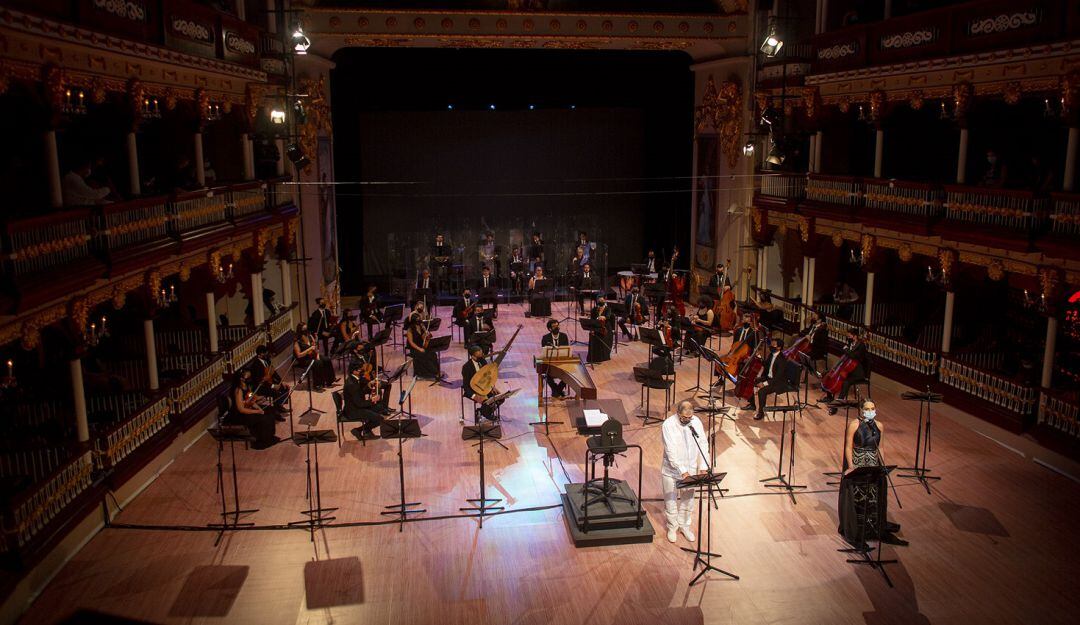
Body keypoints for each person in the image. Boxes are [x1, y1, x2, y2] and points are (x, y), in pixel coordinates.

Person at [838, 400, 907, 548]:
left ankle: (872, 528)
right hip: (858, 461)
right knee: (859, 496)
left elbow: (880, 447)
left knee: (872, 496)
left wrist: (882, 464)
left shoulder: (880, 426)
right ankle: (857, 530)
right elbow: (848, 447)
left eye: (873, 408)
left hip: (873, 462)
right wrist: (851, 466)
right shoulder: (854, 425)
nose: (870, 411)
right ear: (861, 410)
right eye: (867, 408)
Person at [661, 400, 709, 543]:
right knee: (670, 499)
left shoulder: (696, 422)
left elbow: (703, 443)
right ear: (678, 414)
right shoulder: (668, 425)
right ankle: (672, 527)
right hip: (672, 470)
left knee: (688, 500)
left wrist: (704, 466)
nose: (688, 420)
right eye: (684, 418)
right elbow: (670, 450)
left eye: (690, 417)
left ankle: (684, 525)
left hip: (691, 468)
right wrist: (682, 470)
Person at [744, 337, 799, 420]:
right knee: (750, 381)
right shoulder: (771, 354)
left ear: (779, 348)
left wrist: (764, 383)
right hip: (769, 378)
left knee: (762, 391)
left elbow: (777, 378)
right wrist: (759, 358)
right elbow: (766, 365)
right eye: (771, 344)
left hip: (779, 382)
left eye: (773, 345)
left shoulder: (782, 360)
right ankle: (752, 405)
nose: (770, 346)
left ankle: (761, 413)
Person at [821, 328, 871, 414]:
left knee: (846, 383)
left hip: (857, 373)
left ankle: (836, 406)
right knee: (827, 373)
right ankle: (829, 397)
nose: (848, 337)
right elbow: (846, 357)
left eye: (849, 335)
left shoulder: (861, 345)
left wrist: (846, 349)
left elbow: (854, 357)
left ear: (855, 336)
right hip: (849, 370)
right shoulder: (851, 343)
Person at [226, 370, 279, 449]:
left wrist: (260, 408)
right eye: (247, 376)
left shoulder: (246, 386)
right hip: (240, 415)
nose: (249, 378)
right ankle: (261, 441)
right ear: (241, 379)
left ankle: (269, 437)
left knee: (269, 412)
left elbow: (251, 399)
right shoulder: (238, 390)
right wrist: (257, 411)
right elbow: (241, 409)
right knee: (263, 418)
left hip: (248, 409)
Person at [343, 360, 386, 441]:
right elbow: (360, 403)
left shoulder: (354, 378)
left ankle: (366, 430)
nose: (361, 371)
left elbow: (361, 390)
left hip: (356, 406)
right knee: (380, 419)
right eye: (359, 370)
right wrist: (372, 400)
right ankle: (359, 430)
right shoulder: (352, 384)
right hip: (353, 410)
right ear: (354, 371)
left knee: (380, 407)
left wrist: (370, 383)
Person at [293, 322, 336, 389]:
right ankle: (318, 384)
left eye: (306, 328)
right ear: (300, 330)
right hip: (305, 359)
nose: (306, 330)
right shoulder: (297, 341)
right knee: (318, 363)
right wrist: (309, 350)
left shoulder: (309, 336)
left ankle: (330, 380)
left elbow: (315, 347)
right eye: (304, 329)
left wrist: (317, 355)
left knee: (326, 359)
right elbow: (299, 355)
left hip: (313, 355)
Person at [248, 344, 289, 415]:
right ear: (260, 354)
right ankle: (276, 413)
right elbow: (260, 381)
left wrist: (281, 382)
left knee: (285, 388)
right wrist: (273, 386)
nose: (267, 355)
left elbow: (274, 373)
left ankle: (280, 406)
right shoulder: (256, 365)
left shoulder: (267, 361)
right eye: (266, 353)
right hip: (261, 387)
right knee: (275, 392)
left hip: (269, 383)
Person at [461, 344, 496, 425]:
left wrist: (492, 387)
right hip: (473, 390)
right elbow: (466, 386)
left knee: (499, 398)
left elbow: (488, 377)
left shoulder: (483, 361)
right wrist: (474, 396)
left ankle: (481, 412)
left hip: (485, 388)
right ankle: (486, 414)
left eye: (481, 353)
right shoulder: (466, 367)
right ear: (473, 356)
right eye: (479, 355)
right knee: (486, 401)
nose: (481, 356)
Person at [407, 302, 441, 379]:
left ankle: (435, 372)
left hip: (421, 346)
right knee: (424, 355)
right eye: (418, 320)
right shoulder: (410, 329)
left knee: (433, 354)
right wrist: (420, 349)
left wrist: (427, 338)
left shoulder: (422, 327)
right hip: (414, 348)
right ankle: (428, 373)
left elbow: (424, 343)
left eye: (420, 319)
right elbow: (411, 342)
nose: (420, 321)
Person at [541, 319, 569, 398]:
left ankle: (557, 390)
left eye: (557, 326)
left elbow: (566, 350)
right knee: (546, 373)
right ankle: (557, 390)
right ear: (550, 329)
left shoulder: (564, 336)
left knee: (568, 374)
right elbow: (544, 352)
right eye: (554, 326)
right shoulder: (545, 338)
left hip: (562, 362)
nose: (557, 328)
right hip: (550, 363)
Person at [587, 295, 614, 364]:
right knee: (593, 336)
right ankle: (594, 357)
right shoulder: (594, 309)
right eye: (599, 301)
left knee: (604, 336)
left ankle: (603, 356)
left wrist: (603, 317)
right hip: (596, 327)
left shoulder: (608, 309)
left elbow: (608, 316)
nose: (601, 302)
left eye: (602, 300)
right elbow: (592, 320)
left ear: (604, 301)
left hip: (606, 328)